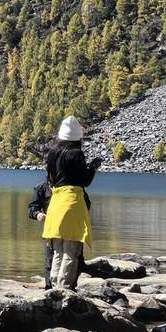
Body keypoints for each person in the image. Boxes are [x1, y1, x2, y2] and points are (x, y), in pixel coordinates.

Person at [42, 115, 103, 291]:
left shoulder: (52, 153)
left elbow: (51, 180)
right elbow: (84, 181)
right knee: (71, 248)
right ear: (77, 138)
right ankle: (64, 289)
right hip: (72, 202)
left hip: (56, 202)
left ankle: (53, 286)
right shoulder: (76, 153)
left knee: (58, 248)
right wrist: (93, 167)